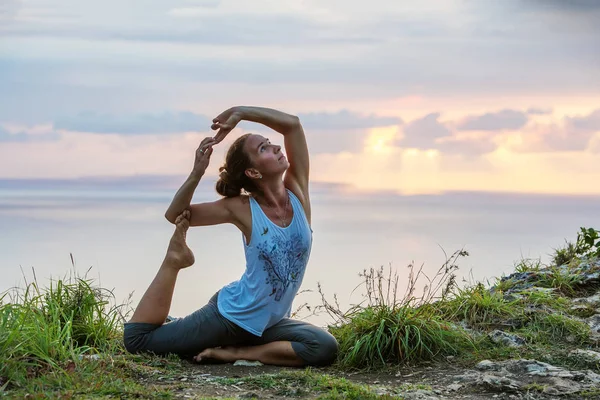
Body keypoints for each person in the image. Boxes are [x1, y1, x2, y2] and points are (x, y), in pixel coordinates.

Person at [123, 106, 339, 367]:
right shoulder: (242, 208)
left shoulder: (298, 195)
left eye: (270, 143)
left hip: (269, 324)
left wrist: (241, 113)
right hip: (230, 316)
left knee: (324, 346)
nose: (276, 148)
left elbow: (292, 125)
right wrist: (196, 173)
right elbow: (175, 214)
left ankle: (235, 352)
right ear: (253, 172)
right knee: (137, 341)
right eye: (264, 149)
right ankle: (174, 260)